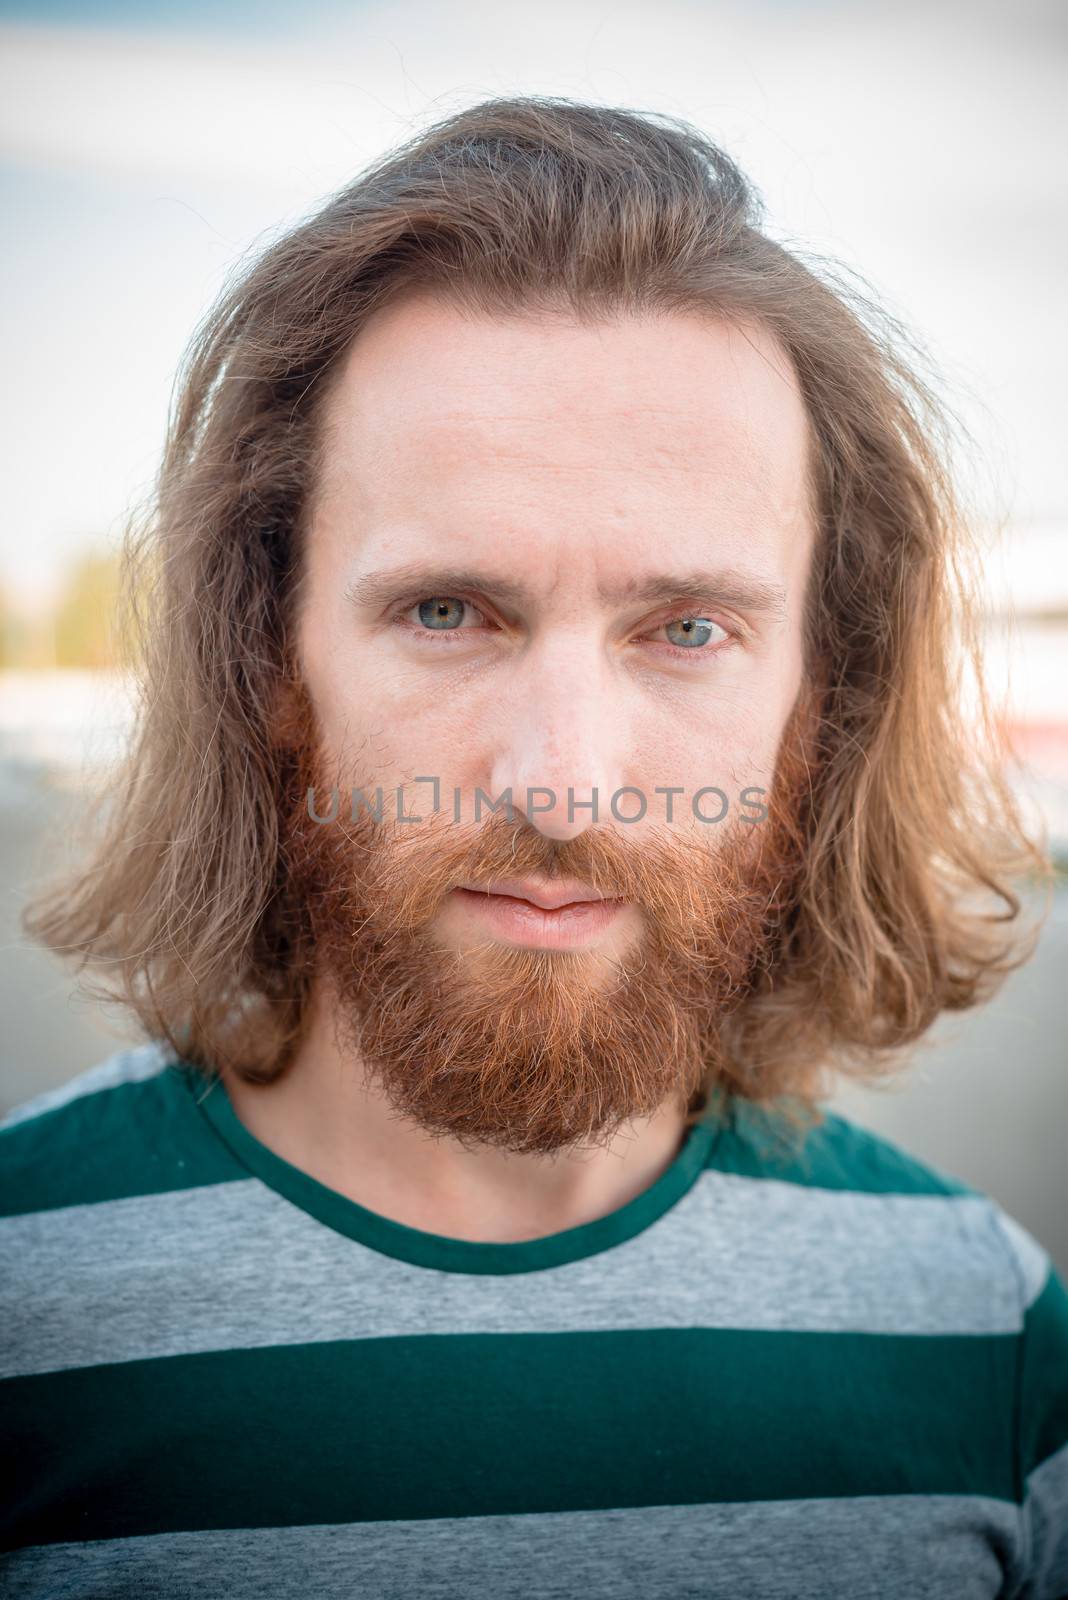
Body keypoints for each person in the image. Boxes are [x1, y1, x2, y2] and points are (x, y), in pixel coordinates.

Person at [2, 95, 1065, 1600]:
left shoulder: (992, 1336)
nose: (566, 785)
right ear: (269, 660)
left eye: (686, 628)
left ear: (819, 702)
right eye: (448, 611)